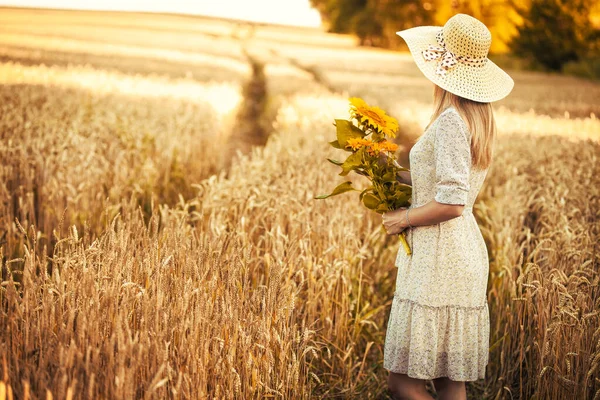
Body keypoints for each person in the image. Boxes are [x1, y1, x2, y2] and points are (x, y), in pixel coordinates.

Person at [381, 13, 514, 400]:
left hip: (442, 257)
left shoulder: (452, 122)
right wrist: (387, 173)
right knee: (447, 381)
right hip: (457, 252)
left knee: (402, 383)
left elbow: (453, 202)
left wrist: (402, 218)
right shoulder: (472, 119)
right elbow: (446, 186)